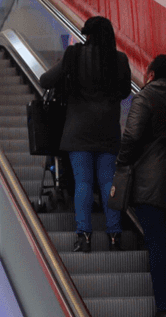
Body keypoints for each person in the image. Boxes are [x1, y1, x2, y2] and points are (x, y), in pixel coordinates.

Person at [40, 16, 132, 253]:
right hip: (108, 132)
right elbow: (124, 92)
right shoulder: (119, 60)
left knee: (83, 182)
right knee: (107, 182)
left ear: (88, 35)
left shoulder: (74, 55)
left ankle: (84, 236)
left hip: (78, 131)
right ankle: (114, 236)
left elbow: (45, 80)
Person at [117, 54, 166, 317]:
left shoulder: (145, 97)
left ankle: (163, 308)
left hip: (149, 184)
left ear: (150, 75)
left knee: (157, 246)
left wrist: (121, 164)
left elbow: (132, 136)